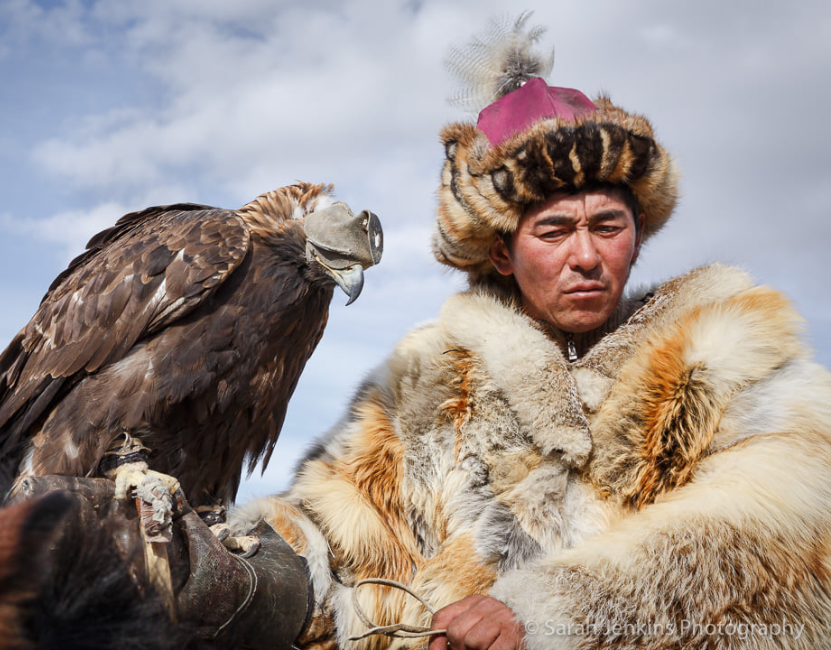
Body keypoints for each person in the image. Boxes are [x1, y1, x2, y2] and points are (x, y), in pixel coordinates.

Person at [230, 15, 831, 650]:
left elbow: (784, 528)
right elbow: (341, 531)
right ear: (502, 254)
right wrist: (259, 570)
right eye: (553, 231)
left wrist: (550, 613)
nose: (586, 256)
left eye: (608, 226)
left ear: (638, 235)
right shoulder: (426, 381)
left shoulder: (725, 356)